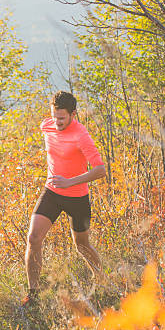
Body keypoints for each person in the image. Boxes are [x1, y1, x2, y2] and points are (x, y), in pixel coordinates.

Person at [23, 91, 106, 309]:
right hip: (52, 192)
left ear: (73, 114)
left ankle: (102, 282)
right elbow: (51, 137)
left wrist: (70, 182)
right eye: (54, 117)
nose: (57, 122)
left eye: (62, 118)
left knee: (82, 245)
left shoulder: (81, 135)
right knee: (33, 238)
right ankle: (33, 294)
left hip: (77, 197)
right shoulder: (47, 125)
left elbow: (100, 170)